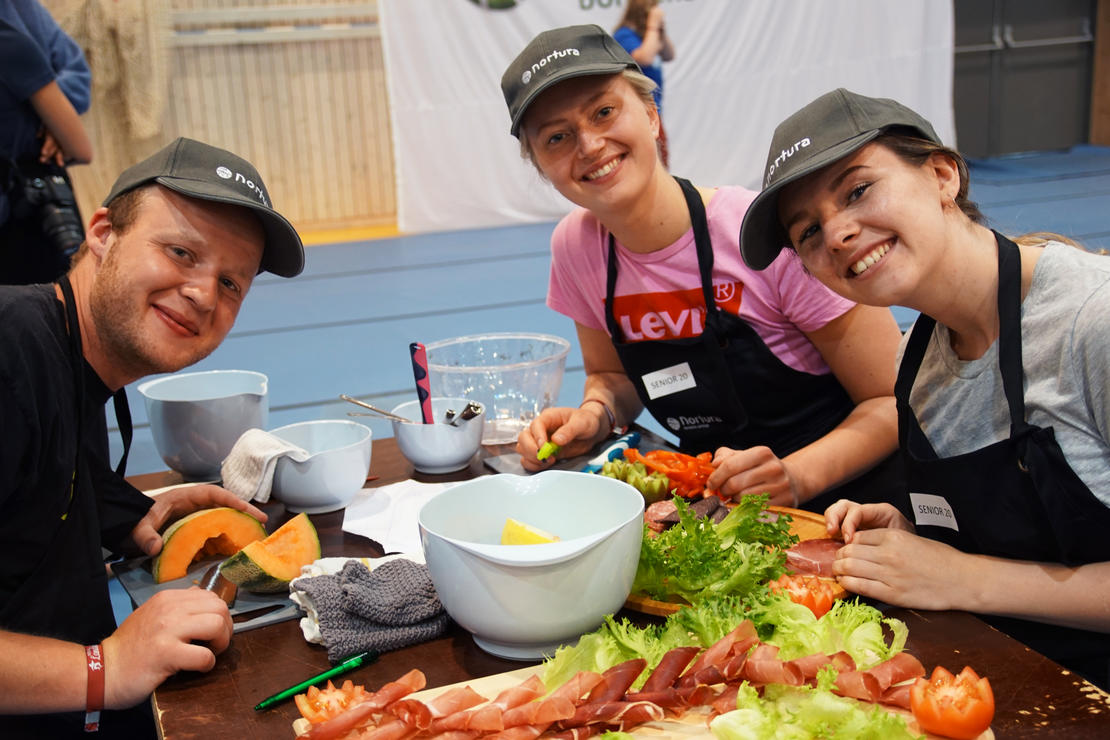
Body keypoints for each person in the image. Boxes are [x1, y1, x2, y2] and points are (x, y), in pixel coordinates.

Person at [738, 87, 1110, 688]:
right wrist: (916, 534)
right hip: (1001, 680)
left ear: (942, 174)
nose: (836, 235)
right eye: (808, 232)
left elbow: (976, 577)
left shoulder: (1093, 320)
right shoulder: (921, 361)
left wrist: (964, 577)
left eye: (858, 191)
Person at [500, 25, 905, 512]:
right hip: (710, 513)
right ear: (540, 166)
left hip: (847, 508)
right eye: (557, 137)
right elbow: (613, 375)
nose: (588, 145)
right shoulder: (576, 248)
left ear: (651, 115)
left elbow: (892, 402)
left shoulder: (761, 234)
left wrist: (796, 476)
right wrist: (596, 414)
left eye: (604, 112)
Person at [0, 137, 306, 737]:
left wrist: (126, 516)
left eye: (230, 284)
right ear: (103, 232)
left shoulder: (74, 364)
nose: (201, 292)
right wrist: (105, 667)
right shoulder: (11, 349)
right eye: (181, 252)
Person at [0, 1, 94, 285]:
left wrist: (50, 116)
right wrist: (53, 115)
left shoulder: (20, 14)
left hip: (32, 187)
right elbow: (81, 149)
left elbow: (77, 72)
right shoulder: (11, 39)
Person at [612, 0, 675, 167]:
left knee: (661, 160)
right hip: (640, 110)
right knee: (653, 162)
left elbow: (669, 54)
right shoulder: (624, 35)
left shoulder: (646, 37)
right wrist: (653, 25)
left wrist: (659, 30)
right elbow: (645, 58)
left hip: (654, 109)